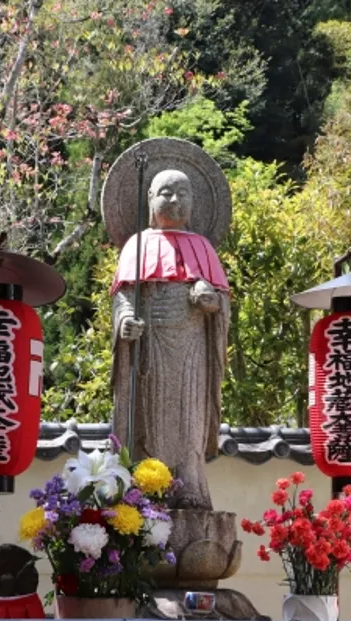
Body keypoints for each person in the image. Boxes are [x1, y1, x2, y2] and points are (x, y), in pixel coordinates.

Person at [110, 169, 230, 510]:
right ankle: (147, 487)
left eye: (183, 193)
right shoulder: (138, 244)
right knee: (148, 416)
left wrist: (212, 302)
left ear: (195, 200)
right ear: (149, 199)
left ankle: (190, 484)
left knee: (189, 418)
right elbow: (122, 297)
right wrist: (125, 321)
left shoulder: (203, 248)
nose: (175, 200)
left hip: (193, 349)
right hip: (149, 348)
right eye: (166, 192)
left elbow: (222, 304)